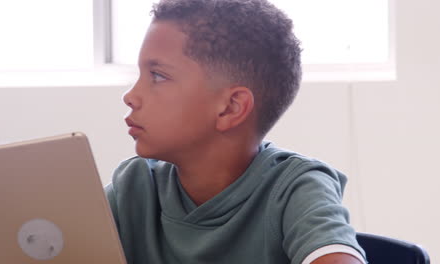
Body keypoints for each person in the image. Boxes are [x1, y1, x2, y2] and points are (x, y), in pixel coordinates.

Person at [105, 0, 366, 263]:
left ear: (230, 108)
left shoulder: (295, 188)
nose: (130, 96)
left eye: (158, 76)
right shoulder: (133, 187)